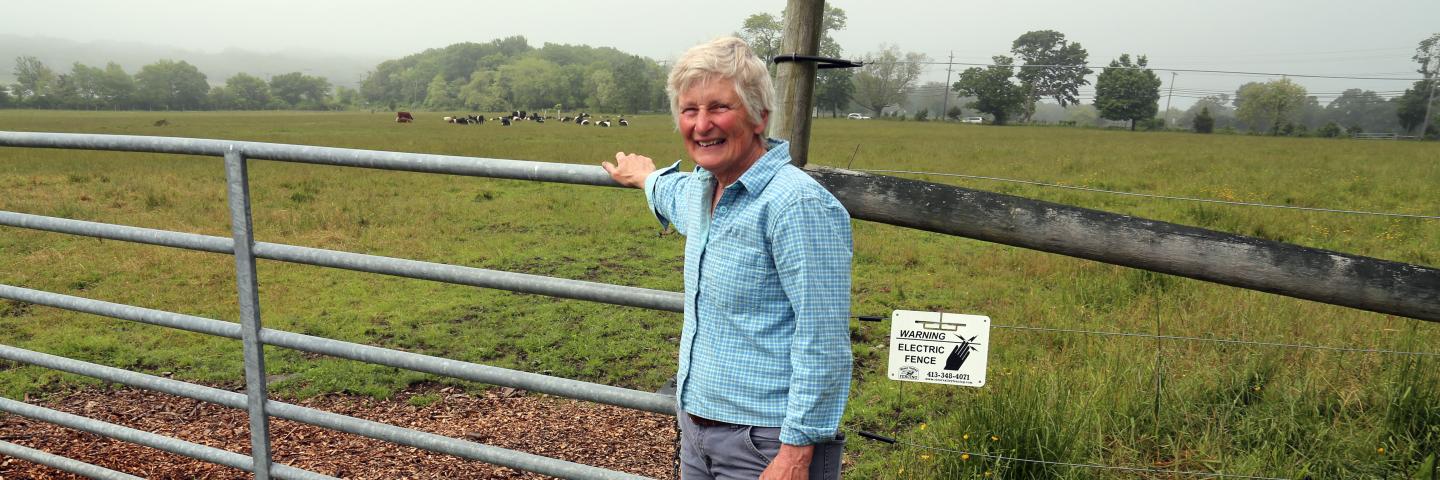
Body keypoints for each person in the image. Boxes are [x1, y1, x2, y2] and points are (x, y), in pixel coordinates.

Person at [602, 37, 852, 480]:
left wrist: (795, 454)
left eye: (718, 107)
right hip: (697, 427)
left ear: (760, 117)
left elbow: (824, 341)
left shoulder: (796, 205)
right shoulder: (702, 189)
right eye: (689, 110)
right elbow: (669, 191)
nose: (701, 125)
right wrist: (644, 176)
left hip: (765, 442)